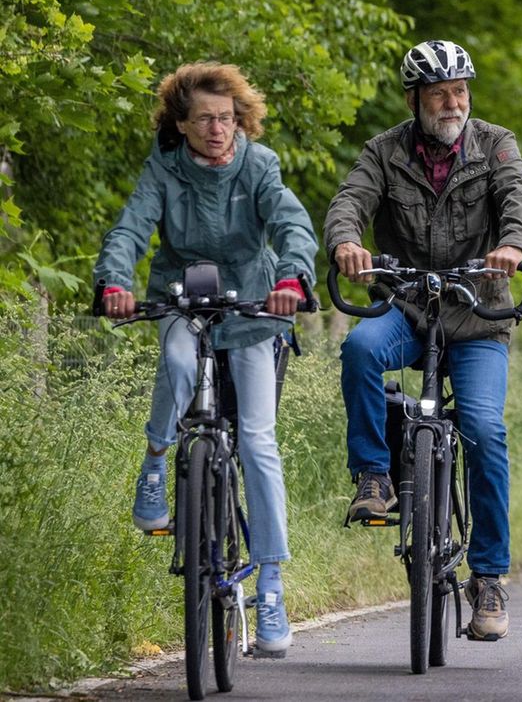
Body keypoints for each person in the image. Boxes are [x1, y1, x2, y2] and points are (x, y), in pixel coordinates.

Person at [95, 62, 319, 657]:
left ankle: (271, 585)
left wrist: (293, 277)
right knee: (177, 360)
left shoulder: (259, 165)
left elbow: (292, 222)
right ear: (181, 124)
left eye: (226, 118)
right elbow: (130, 229)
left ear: (238, 119)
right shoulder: (163, 170)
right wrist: (115, 281)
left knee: (257, 442)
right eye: (204, 120)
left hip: (252, 305)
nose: (217, 129)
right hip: (181, 295)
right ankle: (156, 460)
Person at [324, 39, 522, 642]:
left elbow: (520, 199)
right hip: (408, 304)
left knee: (484, 428)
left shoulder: (495, 144)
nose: (453, 103)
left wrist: (513, 247)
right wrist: (346, 242)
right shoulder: (385, 150)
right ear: (415, 97)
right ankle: (374, 476)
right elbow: (350, 201)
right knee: (362, 350)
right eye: (440, 93)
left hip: (476, 314)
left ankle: (490, 577)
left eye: (461, 91)